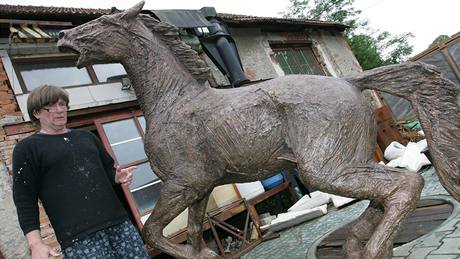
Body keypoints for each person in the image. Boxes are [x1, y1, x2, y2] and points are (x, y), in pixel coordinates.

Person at [12, 85, 150, 259]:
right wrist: (36, 243)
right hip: (79, 238)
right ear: (36, 113)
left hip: (119, 224)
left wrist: (116, 177)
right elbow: (24, 199)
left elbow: (107, 170)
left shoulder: (87, 137)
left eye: (63, 105)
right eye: (51, 106)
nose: (59, 110)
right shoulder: (27, 149)